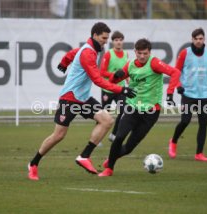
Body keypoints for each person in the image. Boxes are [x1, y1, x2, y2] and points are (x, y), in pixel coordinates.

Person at [27, 22, 136, 181]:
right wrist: (121, 89)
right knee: (59, 135)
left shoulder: (89, 49)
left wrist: (64, 62)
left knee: (106, 120)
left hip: (83, 98)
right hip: (69, 98)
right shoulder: (88, 53)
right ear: (95, 35)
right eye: (104, 38)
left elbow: (72, 53)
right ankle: (33, 163)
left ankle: (84, 156)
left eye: (107, 38)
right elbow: (98, 80)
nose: (106, 41)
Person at [98, 38, 180, 177]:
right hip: (132, 108)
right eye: (139, 53)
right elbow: (113, 82)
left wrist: (170, 92)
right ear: (135, 51)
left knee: (129, 147)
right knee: (119, 137)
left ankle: (112, 158)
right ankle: (109, 169)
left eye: (145, 53)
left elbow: (175, 72)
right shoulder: (130, 65)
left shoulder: (154, 63)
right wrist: (114, 76)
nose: (142, 56)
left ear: (149, 52)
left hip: (151, 112)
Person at [167, 28, 207, 162]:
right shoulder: (184, 53)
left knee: (203, 123)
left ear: (204, 40)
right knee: (185, 121)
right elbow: (176, 71)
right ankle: (173, 141)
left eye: (201, 39)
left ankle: (199, 153)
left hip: (204, 95)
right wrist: (178, 86)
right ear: (192, 39)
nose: (198, 41)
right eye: (196, 39)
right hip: (188, 94)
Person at [100, 31, 128, 143]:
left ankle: (113, 134)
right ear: (112, 42)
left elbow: (125, 70)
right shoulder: (108, 54)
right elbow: (102, 72)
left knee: (123, 111)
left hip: (120, 89)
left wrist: (127, 79)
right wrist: (114, 75)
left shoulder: (126, 54)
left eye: (120, 40)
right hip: (108, 89)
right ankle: (99, 138)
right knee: (104, 115)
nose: (119, 42)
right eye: (116, 40)